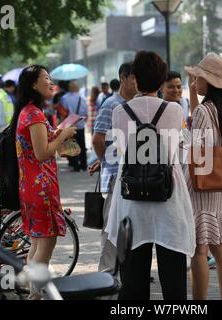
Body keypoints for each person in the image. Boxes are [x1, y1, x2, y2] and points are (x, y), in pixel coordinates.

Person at [104, 51, 195, 300]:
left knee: (132, 280)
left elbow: (122, 151)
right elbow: (175, 146)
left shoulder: (119, 112)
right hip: (168, 195)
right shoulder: (174, 111)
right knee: (174, 278)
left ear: (134, 78)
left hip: (132, 198)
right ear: (161, 78)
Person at [12, 64, 76, 299]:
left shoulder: (28, 112)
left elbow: (40, 146)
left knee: (36, 246)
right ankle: (35, 296)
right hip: (41, 189)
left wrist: (59, 133)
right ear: (33, 85)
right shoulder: (34, 114)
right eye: (46, 79)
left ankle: (33, 294)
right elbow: (42, 152)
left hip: (30, 187)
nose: (51, 83)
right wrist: (64, 135)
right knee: (44, 250)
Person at [185, 52, 222, 300]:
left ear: (208, 81)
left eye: (198, 78)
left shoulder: (203, 112)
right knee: (221, 248)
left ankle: (199, 302)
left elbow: (194, 147)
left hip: (201, 187)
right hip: (219, 186)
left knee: (199, 250)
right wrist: (193, 92)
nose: (195, 81)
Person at [89, 62, 137, 272]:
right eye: (135, 78)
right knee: (111, 230)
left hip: (131, 178)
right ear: (124, 78)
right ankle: (106, 275)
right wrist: (106, 161)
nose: (138, 83)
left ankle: (123, 273)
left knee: (126, 229)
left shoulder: (136, 103)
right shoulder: (111, 104)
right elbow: (98, 139)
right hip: (115, 177)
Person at [60, 80, 88, 172]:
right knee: (82, 144)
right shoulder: (82, 98)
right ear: (77, 88)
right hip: (80, 124)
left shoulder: (64, 98)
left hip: (69, 124)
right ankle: (83, 164)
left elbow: (62, 112)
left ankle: (75, 165)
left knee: (71, 144)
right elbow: (85, 112)